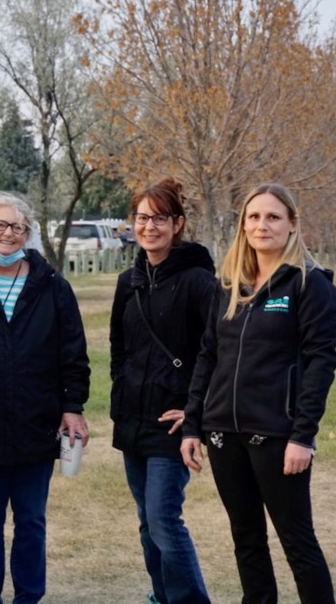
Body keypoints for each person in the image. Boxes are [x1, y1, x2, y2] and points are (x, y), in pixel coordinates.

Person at [181, 183, 336, 604]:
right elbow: (207, 356)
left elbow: (321, 365)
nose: (261, 225)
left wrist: (302, 436)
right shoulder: (229, 284)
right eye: (253, 217)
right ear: (243, 225)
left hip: (277, 436)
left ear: (292, 225)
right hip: (223, 433)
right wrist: (192, 424)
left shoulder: (310, 285)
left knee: (297, 542)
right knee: (246, 539)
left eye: (272, 217)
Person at [0, 191, 91, 604]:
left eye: (17, 227)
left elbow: (73, 353)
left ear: (28, 233)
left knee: (31, 520)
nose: (8, 233)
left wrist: (72, 407)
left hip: (37, 423)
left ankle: (29, 596)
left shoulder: (53, 287)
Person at [109, 179, 214, 604]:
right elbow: (119, 346)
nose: (149, 226)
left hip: (173, 424)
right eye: (141, 217)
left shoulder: (199, 281)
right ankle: (162, 596)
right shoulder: (127, 281)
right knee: (146, 521)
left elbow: (216, 353)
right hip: (133, 417)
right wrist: (122, 389)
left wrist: (194, 413)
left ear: (178, 224)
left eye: (159, 218)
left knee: (164, 519)